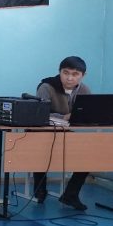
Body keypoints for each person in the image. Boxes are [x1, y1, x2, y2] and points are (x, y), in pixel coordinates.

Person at [32, 55, 92, 209]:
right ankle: (39, 190)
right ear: (59, 72)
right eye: (66, 73)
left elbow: (88, 112)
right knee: (41, 152)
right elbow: (39, 113)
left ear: (83, 75)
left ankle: (70, 195)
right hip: (42, 132)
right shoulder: (46, 87)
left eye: (75, 74)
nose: (70, 78)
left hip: (66, 132)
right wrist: (63, 117)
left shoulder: (84, 89)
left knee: (89, 156)